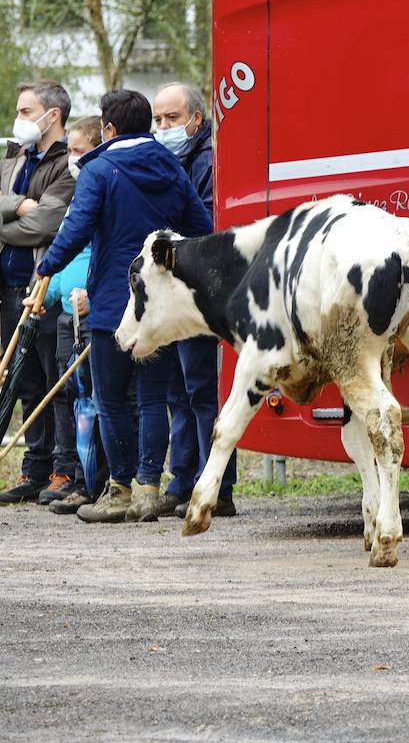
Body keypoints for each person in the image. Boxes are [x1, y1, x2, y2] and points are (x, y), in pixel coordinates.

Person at [36, 89, 211, 524]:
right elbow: (201, 229)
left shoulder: (99, 169)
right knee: (153, 398)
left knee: (110, 398)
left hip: (114, 299)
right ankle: (150, 490)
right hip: (159, 303)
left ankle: (119, 489)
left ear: (109, 129)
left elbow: (77, 227)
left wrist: (47, 268)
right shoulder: (172, 165)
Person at [0, 80, 76, 505]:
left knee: (56, 383)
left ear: (51, 115)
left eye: (24, 110)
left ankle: (63, 470)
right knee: (24, 382)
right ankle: (33, 470)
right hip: (10, 287)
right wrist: (16, 205)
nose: (18, 119)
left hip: (46, 290)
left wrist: (1, 204)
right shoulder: (14, 155)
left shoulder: (67, 164)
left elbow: (46, 225)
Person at [147, 82, 234, 522]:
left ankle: (215, 483)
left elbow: (206, 220)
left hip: (200, 291)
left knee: (202, 391)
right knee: (178, 392)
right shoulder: (173, 162)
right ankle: (182, 479)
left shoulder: (207, 162)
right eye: (158, 120)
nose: (163, 127)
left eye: (172, 119)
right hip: (176, 292)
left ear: (195, 120)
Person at [41, 115, 109, 515]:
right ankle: (74, 473)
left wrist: (93, 299)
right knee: (71, 396)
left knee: (96, 398)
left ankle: (94, 480)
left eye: (79, 151)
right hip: (67, 313)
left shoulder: (100, 190)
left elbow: (98, 252)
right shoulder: (78, 193)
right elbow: (68, 251)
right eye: (69, 150)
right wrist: (48, 290)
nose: (72, 159)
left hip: (91, 313)